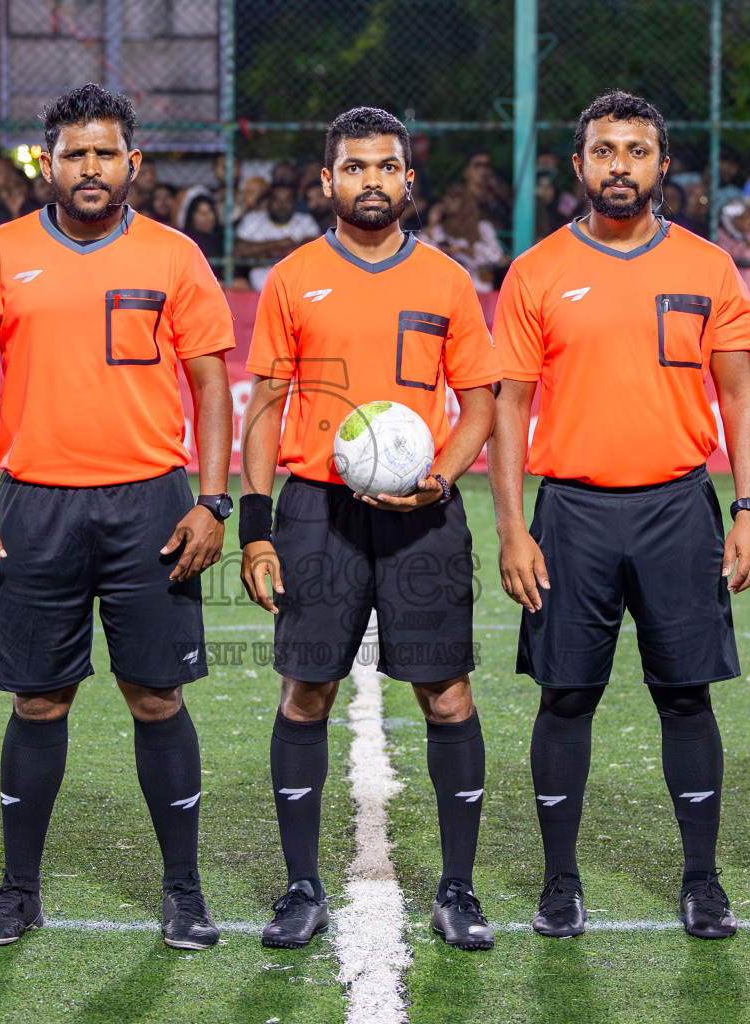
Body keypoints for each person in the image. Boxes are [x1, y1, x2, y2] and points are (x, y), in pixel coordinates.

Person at [0, 83, 235, 952]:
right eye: (75, 154)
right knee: (38, 702)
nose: (91, 168)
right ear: (50, 164)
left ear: (132, 163)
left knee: (156, 698)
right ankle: (18, 892)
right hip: (34, 506)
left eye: (106, 154)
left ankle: (184, 890)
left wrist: (212, 502)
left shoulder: (177, 257)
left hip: (151, 503)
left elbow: (212, 385)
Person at [489, 89, 750, 943]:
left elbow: (743, 395)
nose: (620, 166)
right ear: (578, 166)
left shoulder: (707, 268)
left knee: (686, 697)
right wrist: (511, 527)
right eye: (604, 151)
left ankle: (702, 882)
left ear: (661, 163)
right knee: (567, 696)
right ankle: (560, 883)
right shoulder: (536, 271)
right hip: (571, 511)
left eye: (636, 151)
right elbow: (506, 407)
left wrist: (749, 506)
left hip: (679, 507)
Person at [241, 103, 500, 952]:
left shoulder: (446, 281)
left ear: (408, 180)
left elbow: (481, 401)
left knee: (447, 693)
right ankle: (301, 888)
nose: (372, 181)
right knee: (305, 692)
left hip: (425, 517)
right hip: (318, 511)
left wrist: (440, 479)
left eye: (387, 166)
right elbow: (266, 407)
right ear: (328, 181)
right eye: (355, 167)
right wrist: (257, 525)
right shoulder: (291, 279)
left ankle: (457, 890)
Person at [234, 181, 321, 290]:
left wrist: (262, 253)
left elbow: (311, 253)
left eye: (287, 200)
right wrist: (279, 244)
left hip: (296, 288)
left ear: (294, 202)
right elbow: (239, 251)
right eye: (277, 200)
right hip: (257, 288)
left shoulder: (305, 221)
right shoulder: (252, 219)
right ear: (269, 201)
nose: (282, 205)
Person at [425, 182, 507, 292]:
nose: (449, 201)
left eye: (455, 197)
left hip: (479, 289)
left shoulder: (483, 228)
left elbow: (496, 256)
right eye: (447, 197)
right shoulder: (439, 230)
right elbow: (425, 253)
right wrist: (432, 223)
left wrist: (464, 250)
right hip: (447, 288)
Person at [181, 194, 222, 261]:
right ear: (192, 216)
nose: (206, 217)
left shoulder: (222, 240)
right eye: (201, 212)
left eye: (209, 211)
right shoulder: (186, 240)